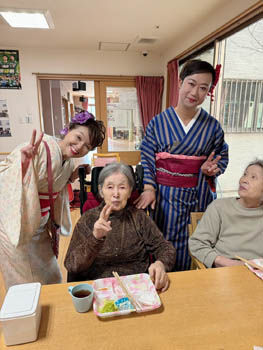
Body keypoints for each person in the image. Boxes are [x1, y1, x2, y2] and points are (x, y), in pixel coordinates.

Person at [135, 59, 229, 271]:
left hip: (198, 195)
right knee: (163, 242)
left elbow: (221, 155)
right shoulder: (158, 123)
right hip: (165, 197)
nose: (195, 92)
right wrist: (149, 189)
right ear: (179, 82)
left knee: (196, 241)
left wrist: (212, 169)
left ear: (209, 92)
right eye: (191, 83)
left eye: (203, 88)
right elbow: (147, 158)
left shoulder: (212, 127)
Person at [0, 111, 106, 289]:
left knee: (51, 275)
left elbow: (53, 185)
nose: (79, 146)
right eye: (78, 137)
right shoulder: (40, 146)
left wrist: (71, 177)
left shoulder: (69, 163)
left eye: (87, 146)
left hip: (37, 225)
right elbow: (5, 174)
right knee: (24, 282)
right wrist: (23, 164)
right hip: (16, 225)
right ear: (69, 129)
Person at [64, 163, 176, 292]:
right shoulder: (88, 220)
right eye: (110, 187)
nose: (116, 194)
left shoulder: (139, 217)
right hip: (100, 289)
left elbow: (165, 247)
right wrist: (95, 238)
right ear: (101, 190)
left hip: (138, 288)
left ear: (129, 192)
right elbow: (72, 265)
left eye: (122, 187)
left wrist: (160, 264)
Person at [189, 159, 263, 268]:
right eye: (245, 174)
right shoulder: (219, 207)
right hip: (223, 272)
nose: (244, 180)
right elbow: (197, 243)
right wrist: (228, 263)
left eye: (253, 177)